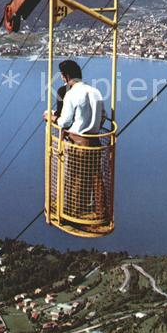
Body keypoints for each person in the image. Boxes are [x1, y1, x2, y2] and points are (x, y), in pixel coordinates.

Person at [43, 60, 108, 220]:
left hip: (78, 142)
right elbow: (103, 116)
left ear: (66, 77)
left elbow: (64, 122)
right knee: (96, 177)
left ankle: (74, 211)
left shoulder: (72, 94)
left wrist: (50, 117)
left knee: (77, 176)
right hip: (94, 141)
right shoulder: (95, 92)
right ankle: (101, 210)